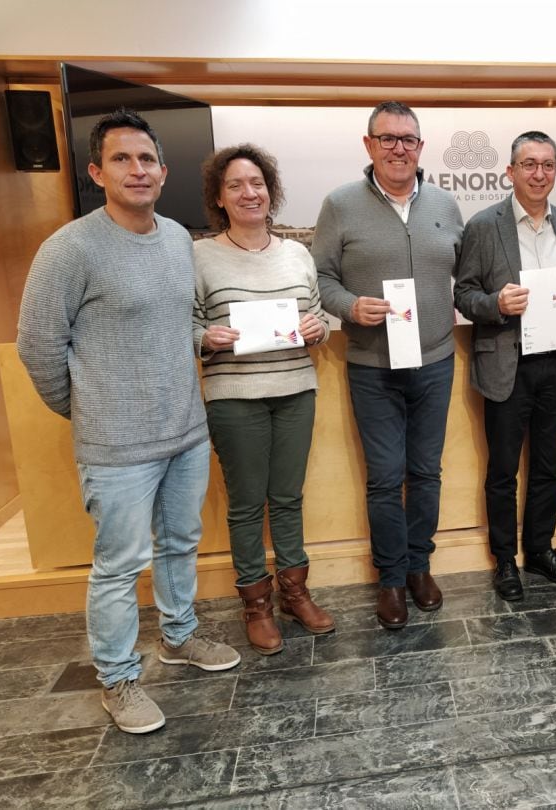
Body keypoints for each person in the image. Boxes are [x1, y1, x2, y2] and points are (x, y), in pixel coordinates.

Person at [17, 109, 240, 736]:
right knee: (118, 564)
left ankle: (179, 635)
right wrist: (88, 407)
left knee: (180, 543)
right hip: (116, 445)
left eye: (146, 159)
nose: (136, 170)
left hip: (186, 431)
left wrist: (204, 338)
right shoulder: (70, 248)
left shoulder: (175, 238)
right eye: (122, 159)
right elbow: (38, 346)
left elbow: (176, 325)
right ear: (97, 171)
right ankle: (117, 677)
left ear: (164, 172)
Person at [311, 101, 463, 630]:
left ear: (421, 147)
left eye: (409, 139)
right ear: (368, 144)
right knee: (384, 478)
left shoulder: (445, 203)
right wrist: (350, 306)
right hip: (372, 364)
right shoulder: (340, 205)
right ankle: (391, 580)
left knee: (426, 472)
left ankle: (420, 567)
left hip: (436, 360)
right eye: (388, 138)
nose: (399, 148)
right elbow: (321, 278)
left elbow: (463, 276)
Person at [192, 144, 334, 655]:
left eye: (256, 183)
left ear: (270, 192)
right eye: (235, 185)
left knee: (289, 498)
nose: (249, 192)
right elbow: (185, 323)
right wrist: (205, 338)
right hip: (234, 397)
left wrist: (317, 329)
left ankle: (296, 593)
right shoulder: (200, 255)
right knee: (248, 505)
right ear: (219, 197)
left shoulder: (297, 253)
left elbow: (316, 316)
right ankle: (256, 604)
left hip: (295, 390)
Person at [454, 131, 556, 602]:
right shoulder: (483, 225)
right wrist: (495, 302)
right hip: (506, 365)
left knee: (549, 467)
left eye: (548, 165)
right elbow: (464, 295)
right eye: (529, 164)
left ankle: (539, 550)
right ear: (510, 172)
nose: (539, 174)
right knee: (502, 471)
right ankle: (505, 561)